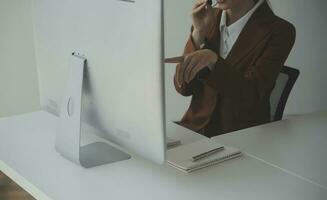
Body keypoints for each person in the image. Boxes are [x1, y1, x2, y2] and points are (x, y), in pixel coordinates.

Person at [171, 0, 296, 137]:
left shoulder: (280, 30)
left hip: (242, 136)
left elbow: (251, 97)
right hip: (195, 130)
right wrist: (198, 33)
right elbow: (184, 88)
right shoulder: (207, 17)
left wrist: (214, 62)